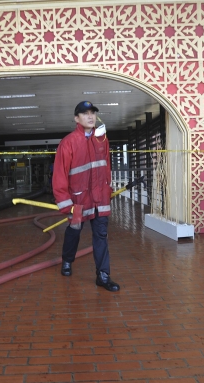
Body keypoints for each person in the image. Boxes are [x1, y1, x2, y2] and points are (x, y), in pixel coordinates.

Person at [52, 101, 119, 292]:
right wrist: (66, 204)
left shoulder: (102, 140)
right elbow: (59, 175)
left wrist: (108, 189)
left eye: (93, 113)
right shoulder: (69, 142)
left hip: (100, 199)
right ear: (77, 118)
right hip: (78, 201)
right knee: (74, 232)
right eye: (85, 113)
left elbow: (106, 168)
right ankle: (67, 260)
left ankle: (103, 276)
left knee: (101, 236)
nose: (90, 117)